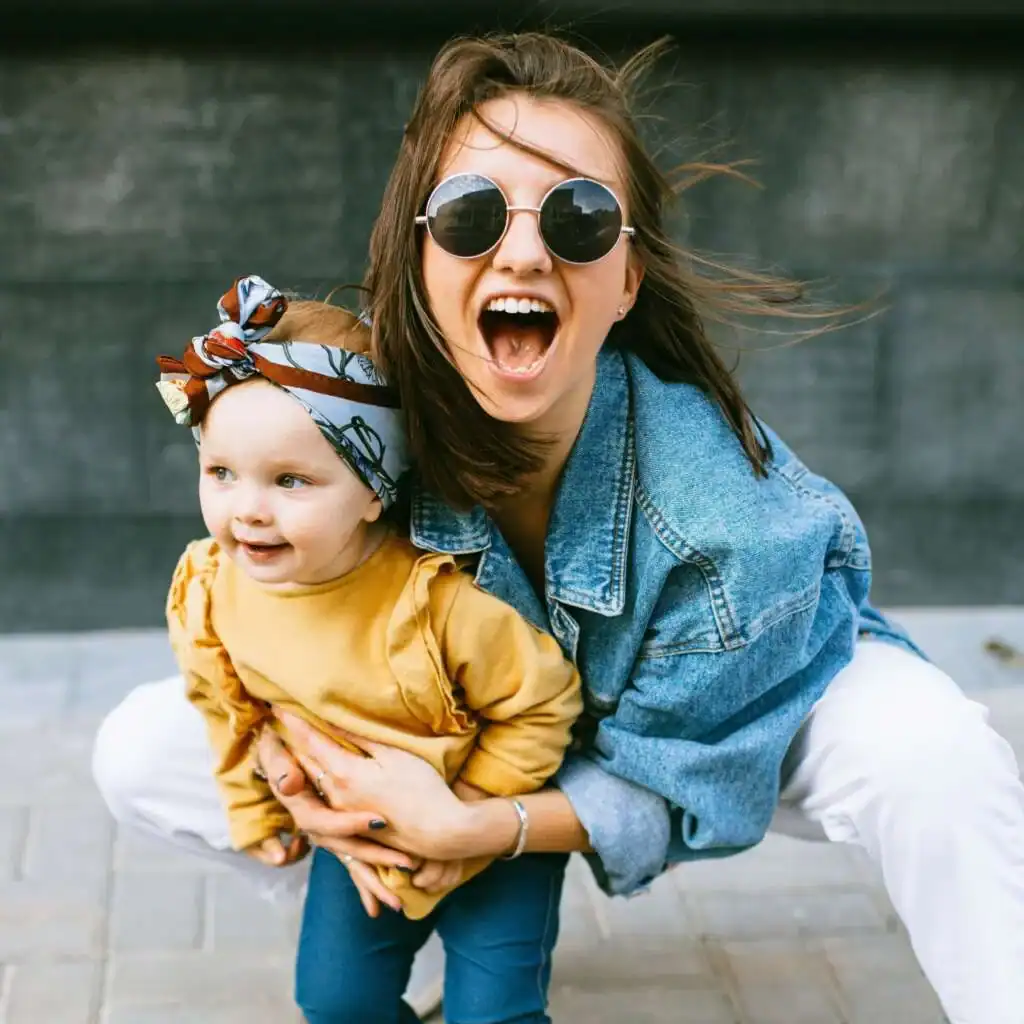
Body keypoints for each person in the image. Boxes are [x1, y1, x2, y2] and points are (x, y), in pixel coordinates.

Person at [93, 32, 1024, 1024]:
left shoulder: (728, 527)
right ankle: (393, 907)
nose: (526, 248)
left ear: (625, 278)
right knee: (144, 745)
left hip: (736, 716)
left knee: (931, 755)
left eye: (580, 217)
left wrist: (479, 824)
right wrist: (307, 774)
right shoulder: (356, 429)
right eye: (471, 213)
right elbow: (264, 614)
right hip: (468, 728)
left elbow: (663, 788)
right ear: (419, 256)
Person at [153, 274, 582, 1023]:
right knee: (334, 999)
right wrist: (254, 807)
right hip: (363, 835)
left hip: (487, 833)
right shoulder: (209, 588)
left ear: (374, 491)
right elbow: (223, 698)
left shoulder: (435, 602)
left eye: (291, 481)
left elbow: (543, 701)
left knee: (496, 1010)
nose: (247, 509)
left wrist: (468, 818)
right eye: (220, 472)